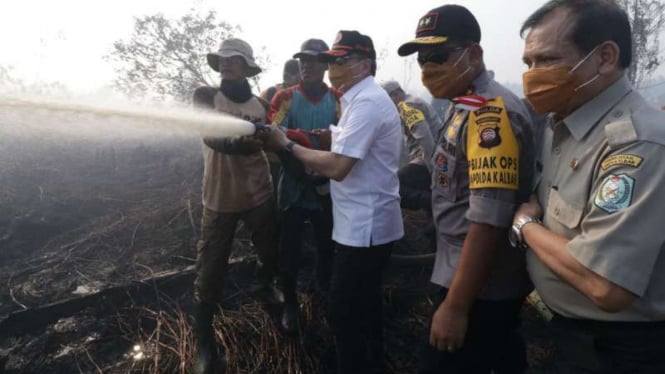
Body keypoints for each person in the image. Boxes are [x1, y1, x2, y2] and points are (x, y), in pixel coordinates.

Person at [514, 1, 665, 372]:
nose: (532, 76)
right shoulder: (561, 125)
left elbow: (605, 285)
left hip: (618, 349)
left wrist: (524, 227)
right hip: (572, 335)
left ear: (605, 58)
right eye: (528, 63)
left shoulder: (636, 143)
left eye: (547, 60)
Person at [397, 5, 535, 373]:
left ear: (474, 54)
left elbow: (488, 220)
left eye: (439, 56)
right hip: (468, 277)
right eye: (423, 59)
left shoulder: (491, 113)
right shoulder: (464, 105)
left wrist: (456, 307)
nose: (428, 68)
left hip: (480, 287)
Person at [261, 30, 403, 374]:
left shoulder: (365, 102)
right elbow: (344, 150)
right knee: (364, 303)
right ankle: (372, 359)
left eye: (340, 61)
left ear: (365, 65)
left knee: (343, 309)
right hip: (356, 220)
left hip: (364, 227)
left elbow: (339, 166)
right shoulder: (352, 98)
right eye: (330, 61)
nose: (331, 67)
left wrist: (287, 144)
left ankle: (354, 365)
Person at [192, 37, 278, 374]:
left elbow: (271, 143)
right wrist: (243, 144)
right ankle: (205, 343)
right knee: (210, 269)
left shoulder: (261, 103)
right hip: (220, 198)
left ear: (246, 66)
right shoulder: (206, 97)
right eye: (222, 59)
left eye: (234, 59)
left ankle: (264, 285)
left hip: (259, 193)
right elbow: (209, 134)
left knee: (270, 251)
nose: (226, 63)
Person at [267, 38, 342, 335]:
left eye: (313, 61)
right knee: (290, 249)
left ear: (325, 65)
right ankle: (290, 305)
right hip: (293, 185)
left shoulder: (338, 98)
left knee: (327, 245)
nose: (306, 66)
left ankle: (324, 293)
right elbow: (272, 133)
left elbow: (348, 134)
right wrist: (301, 139)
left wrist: (330, 139)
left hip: (326, 185)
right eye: (302, 61)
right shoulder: (284, 97)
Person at [381, 80, 442, 235]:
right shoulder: (414, 102)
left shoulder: (407, 106)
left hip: (428, 161)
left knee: (391, 184)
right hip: (433, 160)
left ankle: (434, 201)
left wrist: (435, 173)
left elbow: (425, 139)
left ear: (394, 95)